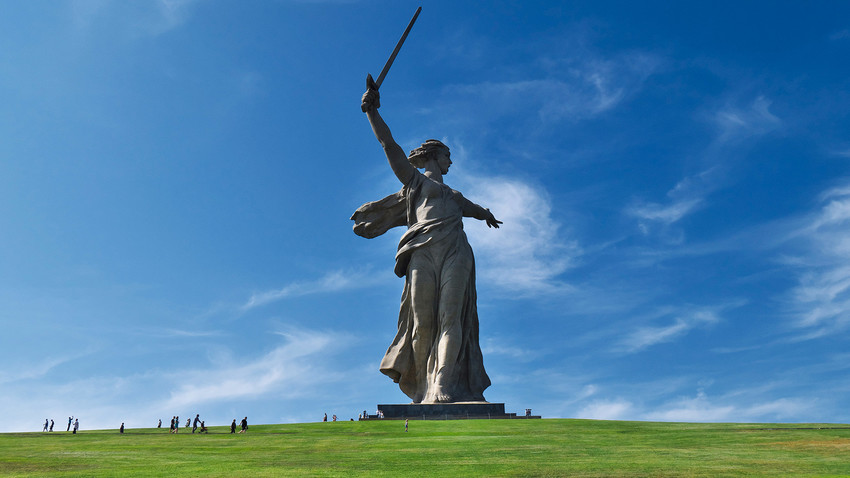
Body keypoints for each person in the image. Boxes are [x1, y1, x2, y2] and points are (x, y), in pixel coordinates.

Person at [355, 81, 501, 403]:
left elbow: (473, 209)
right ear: (435, 156)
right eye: (448, 156)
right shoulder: (416, 181)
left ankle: (442, 386)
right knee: (423, 323)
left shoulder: (455, 195)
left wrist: (486, 214)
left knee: (451, 318)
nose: (451, 162)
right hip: (422, 250)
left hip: (456, 250)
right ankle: (423, 387)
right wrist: (372, 112)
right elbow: (389, 146)